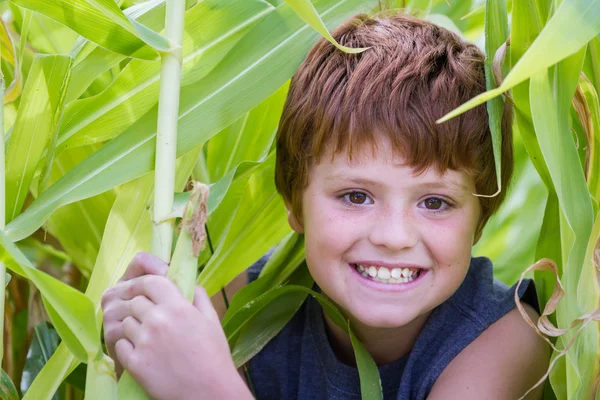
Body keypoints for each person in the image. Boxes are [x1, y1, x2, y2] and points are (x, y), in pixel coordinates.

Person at [100, 12, 550, 400]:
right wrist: (134, 348)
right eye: (356, 196)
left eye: (435, 202)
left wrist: (206, 386)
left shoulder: (506, 338)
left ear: (479, 219)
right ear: (294, 202)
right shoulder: (234, 299)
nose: (393, 237)